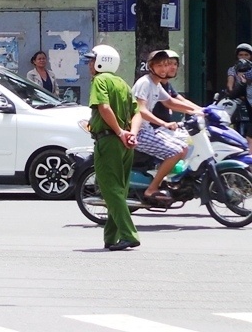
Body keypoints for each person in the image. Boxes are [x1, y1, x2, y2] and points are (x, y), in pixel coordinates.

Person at [85, 44, 142, 251]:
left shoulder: (100, 80)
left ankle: (129, 234)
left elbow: (104, 107)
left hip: (109, 141)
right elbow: (138, 113)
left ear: (101, 62)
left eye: (92, 60)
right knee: (118, 190)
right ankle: (111, 237)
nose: (89, 65)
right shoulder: (122, 83)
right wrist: (131, 134)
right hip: (126, 143)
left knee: (110, 190)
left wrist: (119, 132)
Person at [132, 50, 198, 204]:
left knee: (184, 147)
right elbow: (140, 110)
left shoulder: (156, 84)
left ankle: (164, 180)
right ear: (151, 66)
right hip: (138, 131)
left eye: (166, 65)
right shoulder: (145, 83)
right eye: (159, 65)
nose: (163, 69)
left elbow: (170, 102)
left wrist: (200, 111)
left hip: (147, 129)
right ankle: (152, 188)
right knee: (175, 151)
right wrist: (164, 123)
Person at [226, 43, 252, 138]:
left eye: (246, 55)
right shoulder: (233, 69)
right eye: (241, 55)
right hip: (239, 97)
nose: (243, 57)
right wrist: (232, 92)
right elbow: (230, 84)